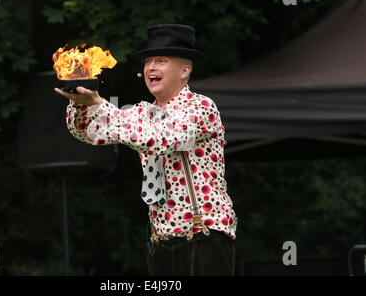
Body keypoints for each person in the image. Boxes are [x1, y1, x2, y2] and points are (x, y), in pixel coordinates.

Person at [54, 24, 237, 276]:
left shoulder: (201, 107)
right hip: (160, 242)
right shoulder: (141, 112)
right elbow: (88, 132)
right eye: (148, 61)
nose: (151, 68)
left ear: (185, 70)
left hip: (203, 237)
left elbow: (158, 139)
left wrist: (101, 104)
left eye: (161, 61)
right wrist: (81, 103)